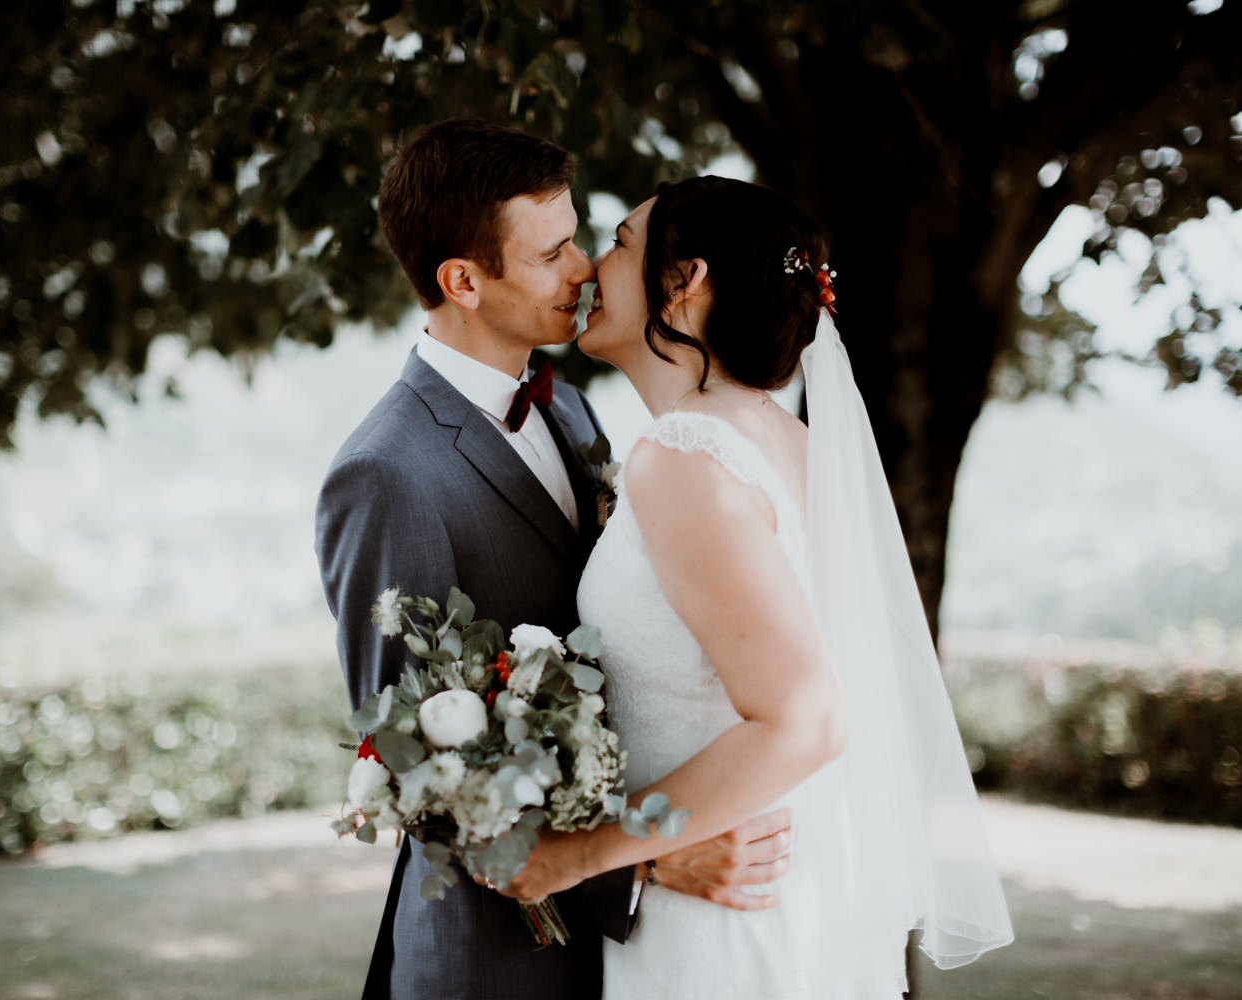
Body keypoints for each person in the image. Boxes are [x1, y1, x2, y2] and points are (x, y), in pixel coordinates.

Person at [497, 175, 1015, 997]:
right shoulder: (794, 447)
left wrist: (583, 853)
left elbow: (805, 719)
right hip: (785, 893)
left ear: (686, 281)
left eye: (623, 243)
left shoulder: (685, 454)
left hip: (724, 918)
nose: (594, 264)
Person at [315, 122, 794, 1000]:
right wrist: (646, 866)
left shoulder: (571, 412)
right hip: (494, 960)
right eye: (553, 251)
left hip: (624, 955)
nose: (581, 268)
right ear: (463, 281)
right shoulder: (384, 474)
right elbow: (412, 764)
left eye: (579, 237)